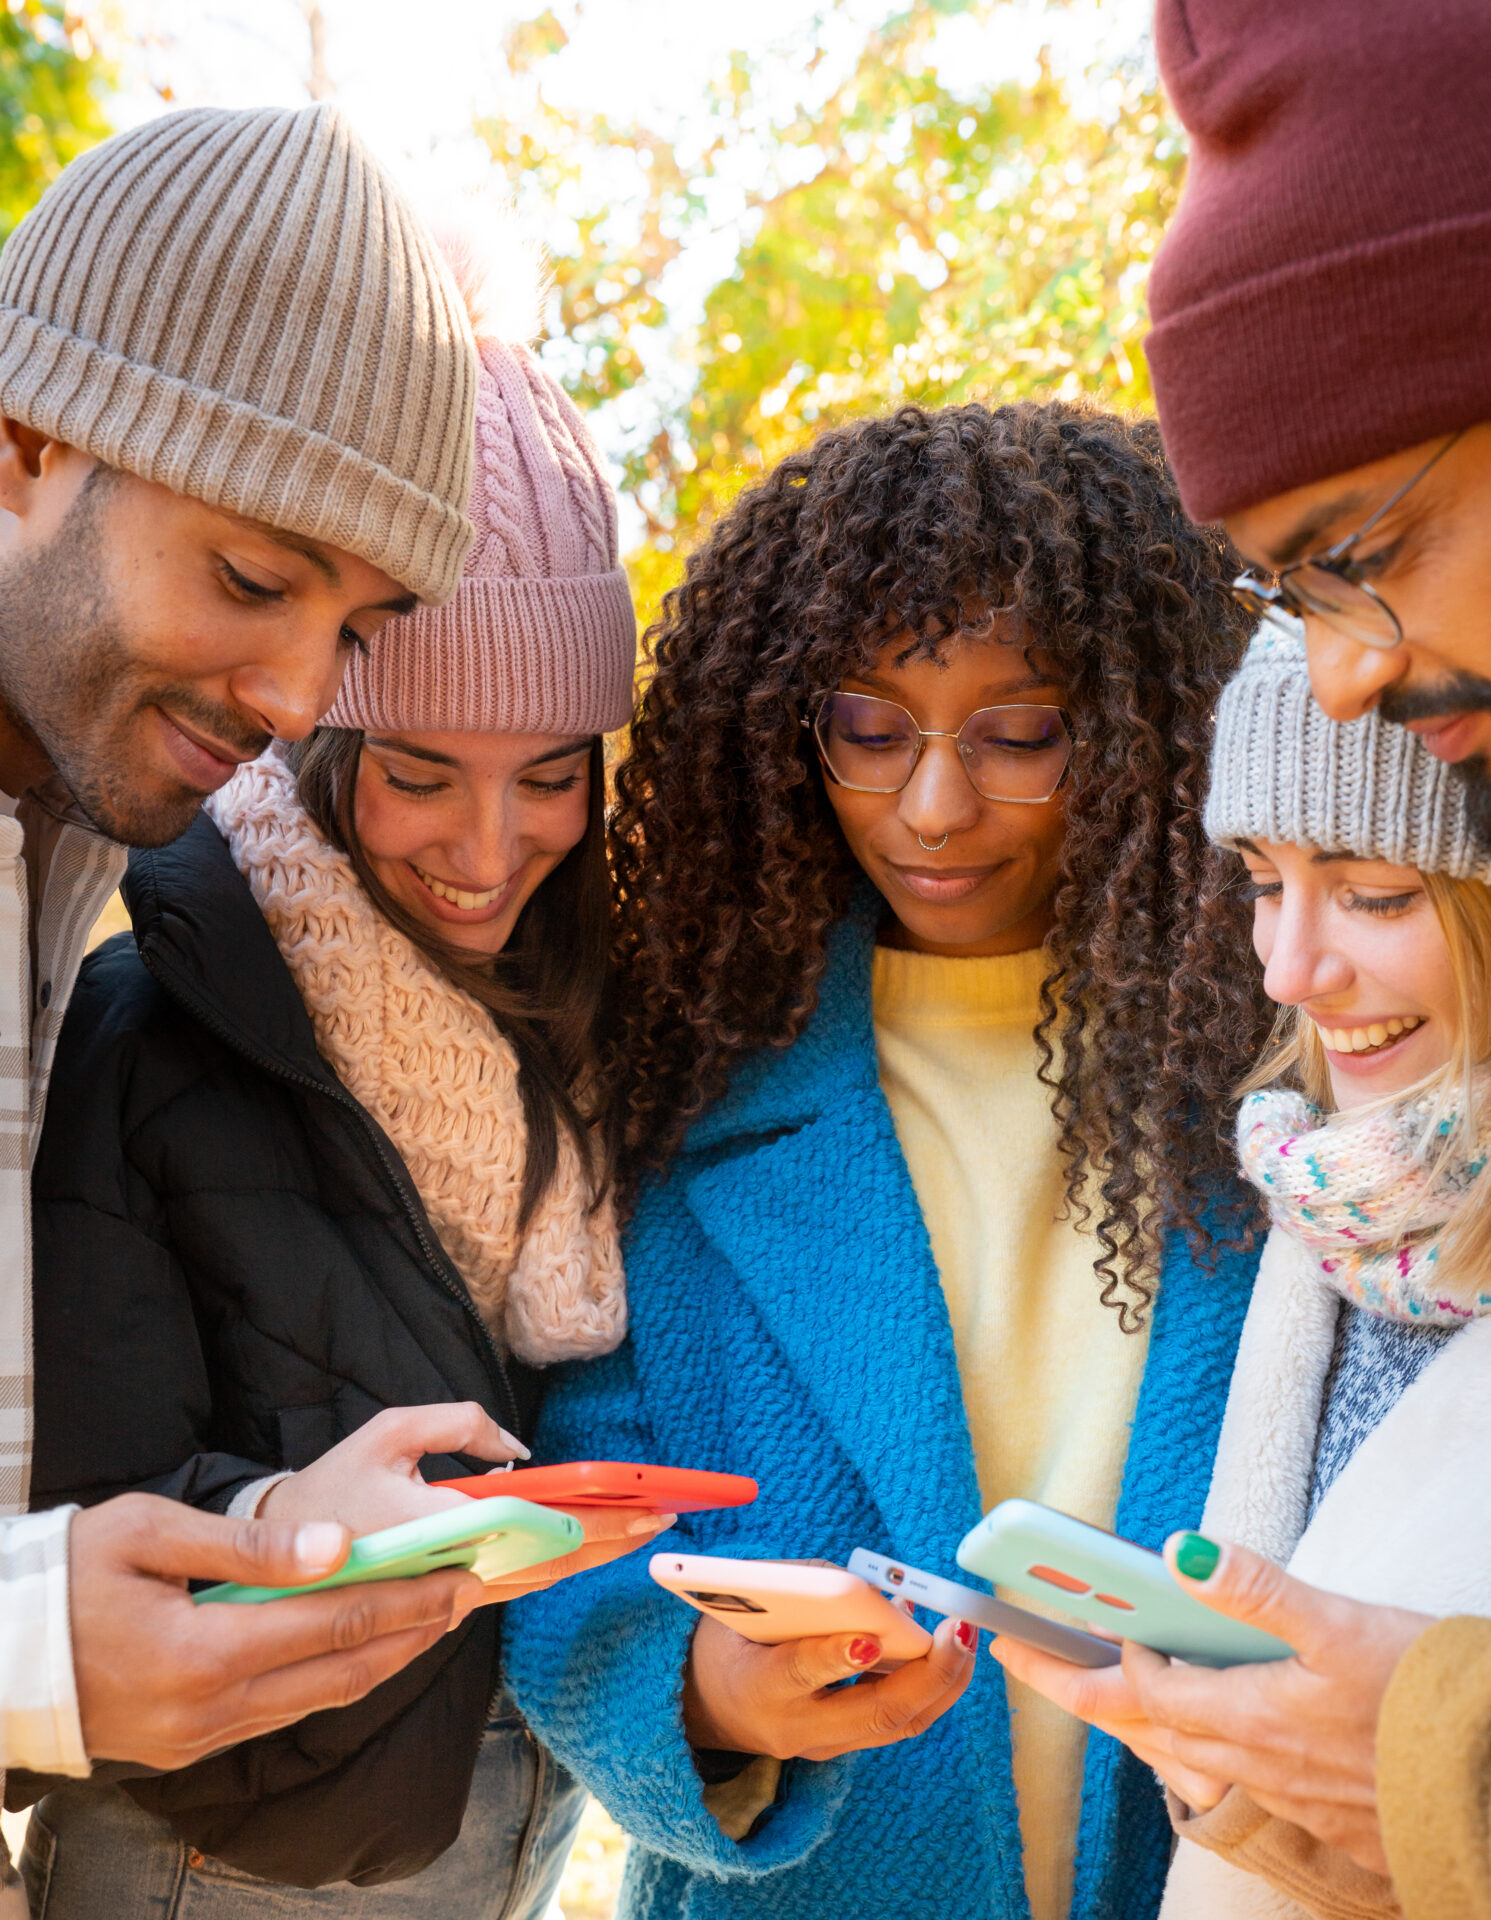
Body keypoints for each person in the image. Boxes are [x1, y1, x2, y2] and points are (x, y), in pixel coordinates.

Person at [503, 399, 1269, 1920]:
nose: (932, 806)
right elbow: (565, 1519)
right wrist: (705, 1700)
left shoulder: (1275, 1080)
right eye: (870, 727)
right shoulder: (678, 1085)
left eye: (1020, 734)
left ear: (1140, 729)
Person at [13, 251, 656, 1911]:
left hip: (500, 1824)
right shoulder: (154, 1009)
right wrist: (310, 1517)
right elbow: (76, 1497)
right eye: (424, 773)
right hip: (216, 1851)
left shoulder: (599, 1034)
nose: (489, 848)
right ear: (327, 746)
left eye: (552, 778)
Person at [0, 100, 490, 1903]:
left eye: (354, 626)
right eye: (256, 577)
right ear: (25, 443)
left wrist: (267, 1527)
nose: (301, 694)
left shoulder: (68, 855)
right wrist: (32, 1656)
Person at [1044, 5, 1491, 1908]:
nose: (1346, 665)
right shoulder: (1320, 1208)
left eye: (1359, 548)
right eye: (1286, 593)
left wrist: (1438, 1760)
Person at [992, 622, 1491, 1919]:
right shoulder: (1329, 1196)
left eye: (1377, 891)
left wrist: (1440, 1757)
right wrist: (1227, 1765)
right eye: (1265, 882)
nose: (1288, 968)